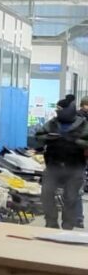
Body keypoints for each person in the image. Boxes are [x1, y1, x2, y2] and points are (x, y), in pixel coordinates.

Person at [34, 95, 88, 229]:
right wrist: (49, 137)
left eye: (60, 109)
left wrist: (76, 141)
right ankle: (51, 222)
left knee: (71, 198)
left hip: (75, 167)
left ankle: (68, 224)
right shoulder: (52, 123)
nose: (58, 112)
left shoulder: (83, 124)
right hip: (53, 165)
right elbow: (38, 136)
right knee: (46, 194)